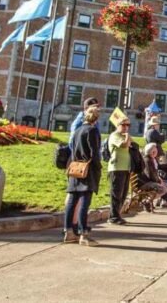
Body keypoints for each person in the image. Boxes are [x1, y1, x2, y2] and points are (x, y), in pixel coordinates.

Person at [64, 106, 103, 247]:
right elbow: (94, 153)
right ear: (96, 118)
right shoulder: (92, 131)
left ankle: (68, 231)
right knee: (84, 202)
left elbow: (73, 150)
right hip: (87, 169)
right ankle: (83, 233)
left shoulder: (77, 131)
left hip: (75, 168)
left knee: (72, 201)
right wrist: (98, 167)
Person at [105, 116, 136, 225]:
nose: (126, 127)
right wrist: (127, 136)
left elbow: (134, 145)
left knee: (123, 194)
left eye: (128, 125)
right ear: (117, 125)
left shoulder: (124, 136)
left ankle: (117, 215)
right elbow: (125, 145)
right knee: (116, 194)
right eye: (123, 125)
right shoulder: (115, 136)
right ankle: (113, 217)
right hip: (116, 168)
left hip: (125, 168)